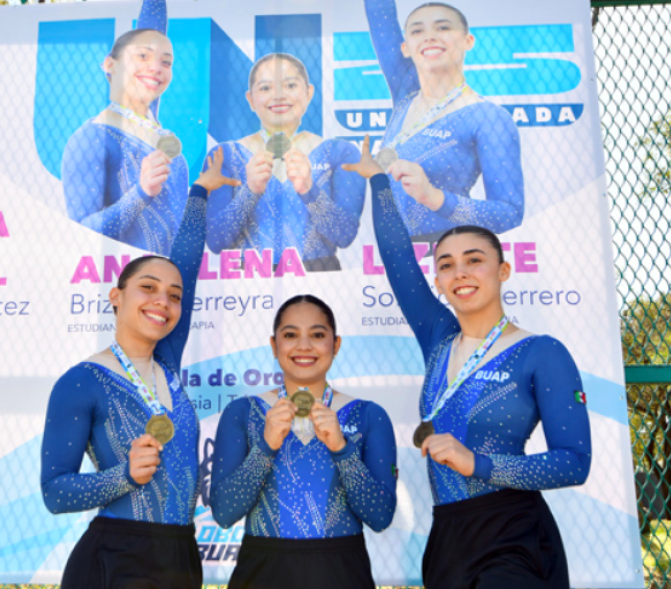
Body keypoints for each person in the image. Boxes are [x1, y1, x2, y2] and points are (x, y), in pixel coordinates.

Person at [343, 137, 590, 589]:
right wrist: (378, 181)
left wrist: (478, 463)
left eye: (474, 261)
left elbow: (574, 463)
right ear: (438, 280)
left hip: (514, 534)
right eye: (447, 265)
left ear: (503, 270)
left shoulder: (542, 352)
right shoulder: (438, 337)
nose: (460, 273)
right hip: (449, 538)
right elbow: (397, 258)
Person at [40, 150, 239, 589]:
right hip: (116, 557)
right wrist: (123, 476)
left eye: (173, 296)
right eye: (148, 288)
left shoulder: (166, 363)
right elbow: (55, 491)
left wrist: (200, 191)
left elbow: (186, 264)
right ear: (117, 296)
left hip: (181, 556)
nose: (162, 302)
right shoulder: (82, 381)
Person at [210, 295, 397, 589]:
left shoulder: (369, 415)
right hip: (263, 571)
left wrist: (342, 449)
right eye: (290, 335)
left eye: (318, 335)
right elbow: (224, 512)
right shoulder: (243, 412)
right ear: (274, 346)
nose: (304, 346)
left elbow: (380, 516)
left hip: (341, 572)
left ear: (336, 344)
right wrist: (265, 447)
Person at [364, 0, 524, 241]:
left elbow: (509, 213)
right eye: (417, 31)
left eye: (443, 27)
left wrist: (435, 197)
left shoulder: (489, 118)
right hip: (389, 252)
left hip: (447, 251)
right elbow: (379, 13)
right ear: (405, 48)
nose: (429, 36)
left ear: (468, 41)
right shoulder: (406, 95)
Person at [204, 54, 366, 272]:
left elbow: (344, 235)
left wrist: (309, 190)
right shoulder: (225, 155)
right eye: (265, 88)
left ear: (309, 93)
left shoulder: (340, 153)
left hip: (318, 277)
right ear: (250, 99)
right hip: (248, 282)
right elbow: (216, 241)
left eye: (290, 85)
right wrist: (249, 192)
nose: (279, 95)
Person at [62, 0, 187, 256]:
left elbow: (152, 28)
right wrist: (141, 193)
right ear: (111, 64)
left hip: (175, 275)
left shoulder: (154, 130)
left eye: (166, 62)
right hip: (124, 275)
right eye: (142, 56)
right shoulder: (93, 137)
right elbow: (82, 233)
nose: (155, 68)